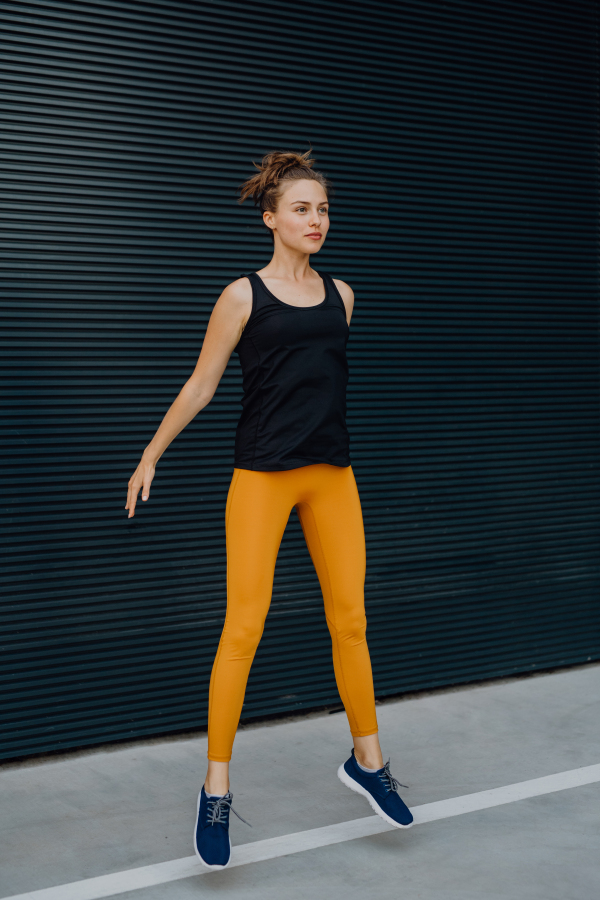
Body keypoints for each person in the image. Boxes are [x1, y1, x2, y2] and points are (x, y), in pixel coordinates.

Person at [125, 150, 413, 871]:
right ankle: (216, 787)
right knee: (243, 630)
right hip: (262, 478)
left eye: (322, 209)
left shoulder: (343, 295)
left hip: (333, 477)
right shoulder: (242, 296)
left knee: (351, 620)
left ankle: (368, 762)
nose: (315, 220)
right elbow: (201, 384)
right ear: (271, 218)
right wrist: (151, 454)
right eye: (301, 209)